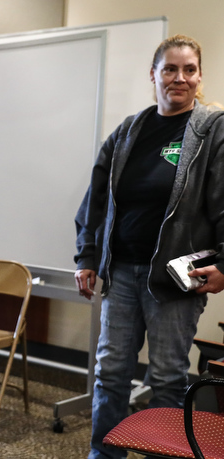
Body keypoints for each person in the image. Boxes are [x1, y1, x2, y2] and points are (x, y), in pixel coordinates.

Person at [74, 34, 224, 458]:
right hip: (121, 272)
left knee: (167, 378)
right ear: (154, 75)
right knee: (111, 373)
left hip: (176, 280)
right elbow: (96, 201)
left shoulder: (213, 131)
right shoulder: (128, 131)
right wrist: (88, 256)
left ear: (199, 76)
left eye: (189, 70)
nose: (179, 78)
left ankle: (163, 455)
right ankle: (104, 454)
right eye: (170, 69)